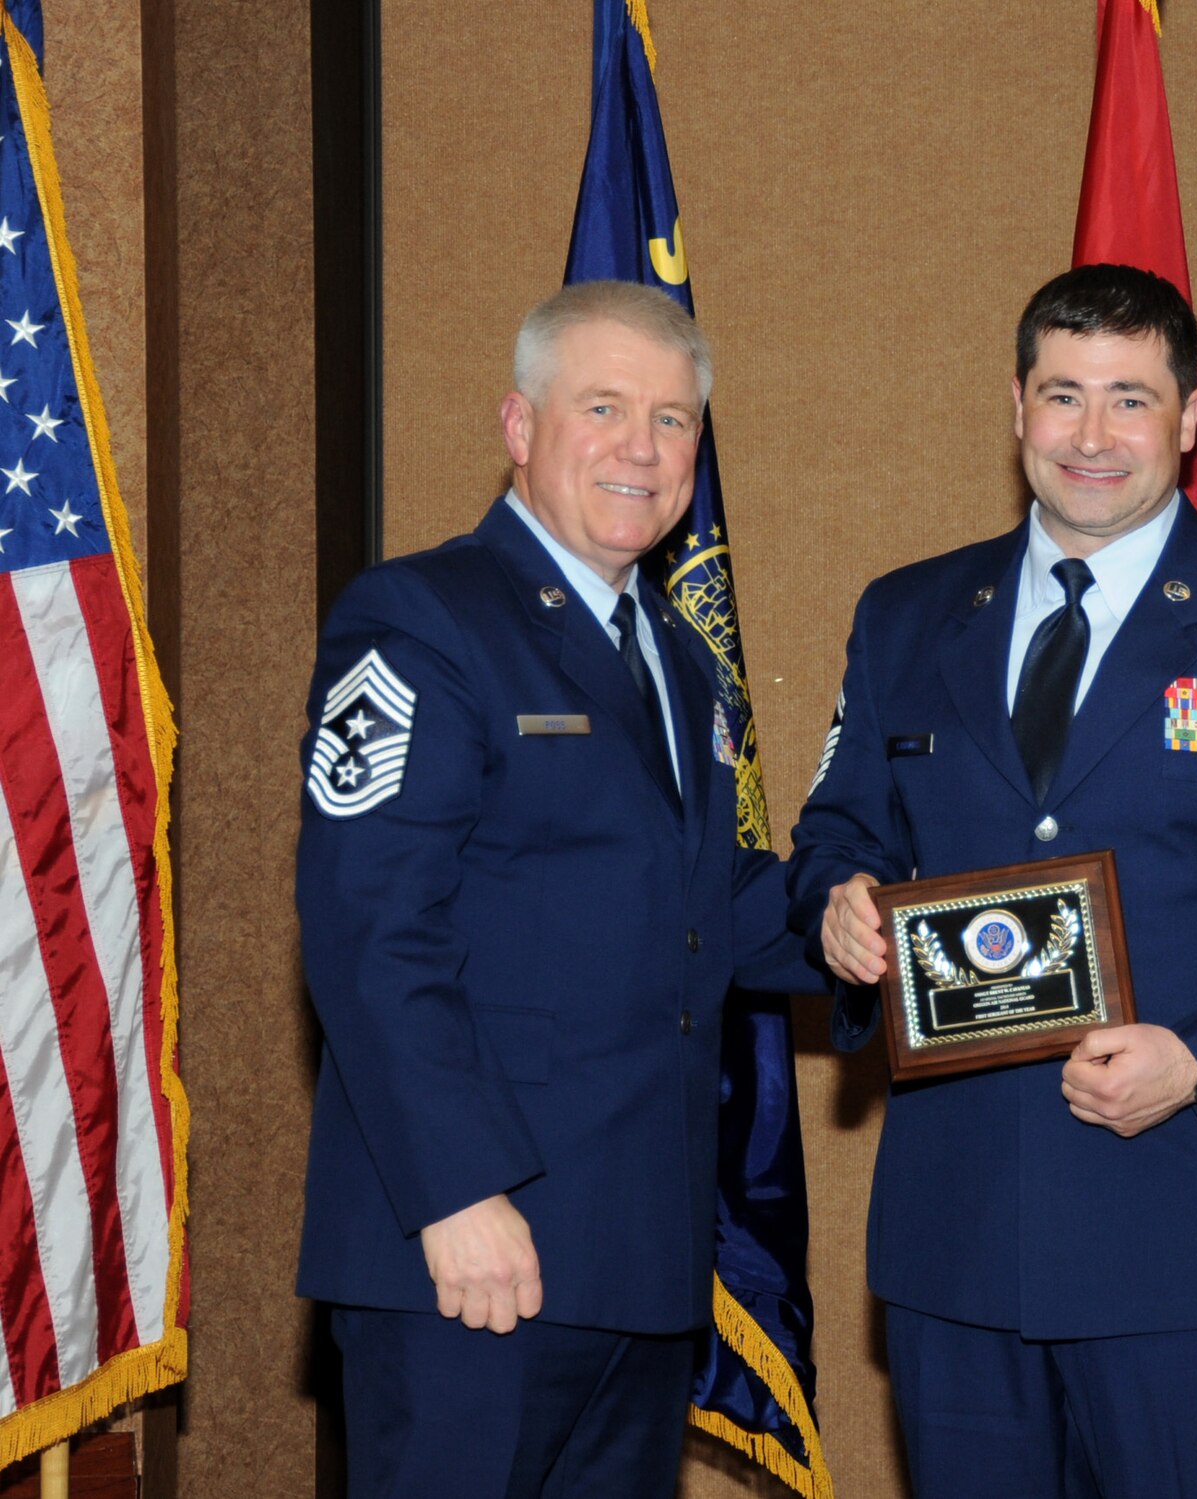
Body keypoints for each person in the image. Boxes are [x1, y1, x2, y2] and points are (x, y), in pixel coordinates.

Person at [790, 263, 1197, 1499]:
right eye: (1063, 395)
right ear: (1016, 406)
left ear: (1188, 417)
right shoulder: (906, 615)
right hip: (964, 1245)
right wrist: (836, 902)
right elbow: (836, 830)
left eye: (1130, 399)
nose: (1092, 437)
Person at [294, 280, 819, 1498]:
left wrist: (878, 929)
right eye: (604, 408)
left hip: (634, 1258)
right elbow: (372, 930)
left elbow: (714, 909)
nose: (643, 447)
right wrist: (456, 1188)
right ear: (519, 426)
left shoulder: (676, 660)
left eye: (675, 419)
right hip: (469, 1256)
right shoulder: (422, 617)